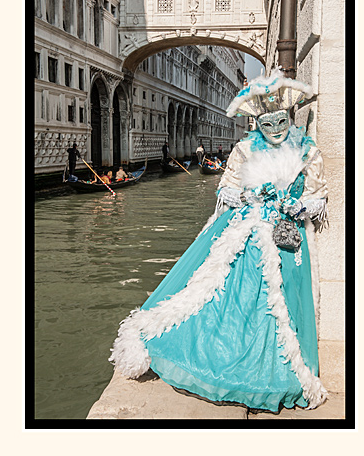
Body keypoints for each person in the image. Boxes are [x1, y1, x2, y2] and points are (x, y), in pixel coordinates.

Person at [110, 68, 329, 412]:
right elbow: (226, 189)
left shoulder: (307, 151)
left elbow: (318, 197)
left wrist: (295, 205)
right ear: (257, 122)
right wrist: (253, 197)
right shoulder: (244, 151)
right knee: (224, 293)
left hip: (286, 238)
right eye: (266, 124)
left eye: (280, 122)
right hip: (246, 231)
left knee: (279, 305)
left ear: (289, 117)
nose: (274, 131)